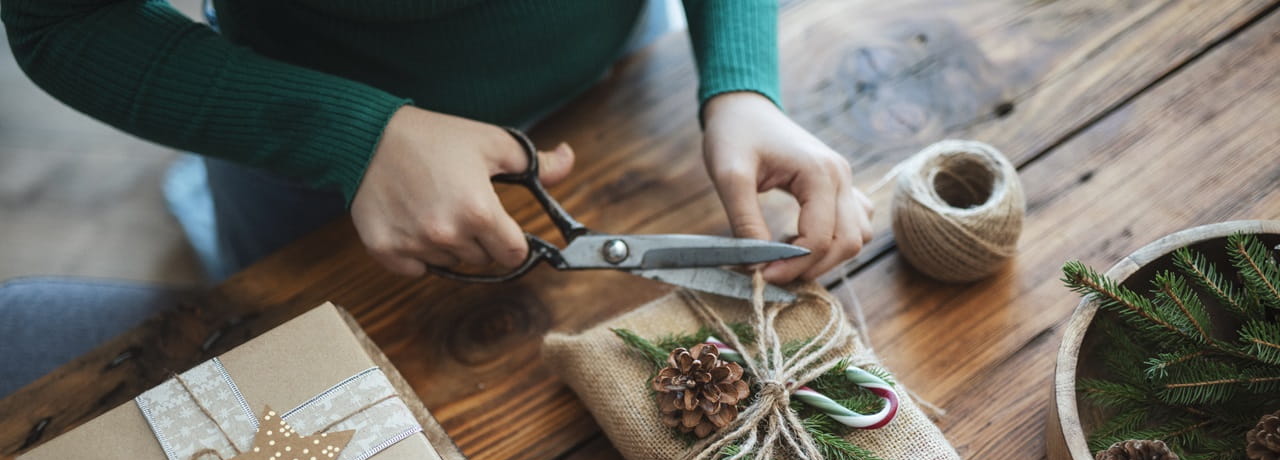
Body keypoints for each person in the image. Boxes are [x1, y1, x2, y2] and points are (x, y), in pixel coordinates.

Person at [1, 0, 872, 285]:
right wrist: (353, 138)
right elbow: (64, 19)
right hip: (316, 169)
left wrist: (743, 78)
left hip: (621, 80)